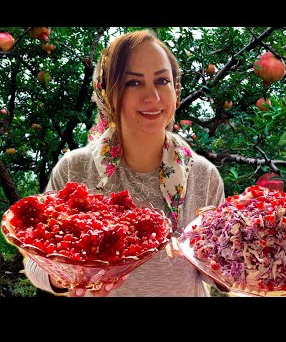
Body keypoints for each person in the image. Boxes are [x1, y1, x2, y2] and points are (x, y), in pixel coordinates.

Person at [23, 29, 225, 297]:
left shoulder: (203, 175)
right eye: (133, 83)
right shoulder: (74, 169)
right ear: (107, 93)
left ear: (176, 90)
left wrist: (251, 263)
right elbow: (36, 260)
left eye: (162, 80)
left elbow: (214, 268)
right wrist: (66, 275)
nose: (152, 97)